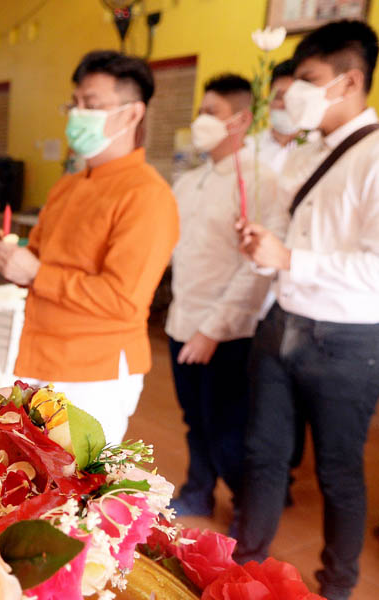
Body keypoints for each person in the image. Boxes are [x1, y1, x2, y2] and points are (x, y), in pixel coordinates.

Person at [235, 20, 379, 600]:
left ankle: (337, 586)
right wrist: (264, 250)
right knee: (263, 456)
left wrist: (290, 258)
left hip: (346, 339)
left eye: (309, 79)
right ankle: (242, 570)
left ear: (349, 82)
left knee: (338, 471)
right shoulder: (309, 151)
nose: (296, 92)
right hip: (282, 321)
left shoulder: (375, 156)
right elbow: (288, 239)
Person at [0, 50, 179, 444]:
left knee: (76, 477)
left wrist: (36, 272)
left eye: (91, 104)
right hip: (40, 352)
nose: (77, 114)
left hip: (95, 369)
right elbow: (40, 262)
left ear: (132, 114)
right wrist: (11, 258)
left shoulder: (147, 195)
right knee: (29, 469)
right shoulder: (69, 185)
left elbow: (122, 299)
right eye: (74, 104)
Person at [166, 74, 280, 522]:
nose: (201, 121)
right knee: (194, 419)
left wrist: (213, 330)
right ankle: (198, 491)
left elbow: (257, 269)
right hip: (182, 319)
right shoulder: (189, 181)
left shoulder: (260, 182)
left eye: (212, 112)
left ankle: (249, 508)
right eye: (200, 111)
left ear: (241, 120)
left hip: (227, 330)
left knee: (227, 425)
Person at [257, 60, 303, 174]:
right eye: (278, 97)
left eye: (293, 98)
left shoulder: (318, 147)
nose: (285, 104)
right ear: (268, 100)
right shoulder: (251, 147)